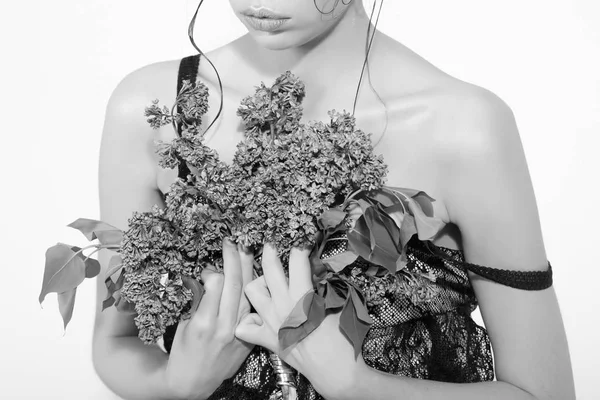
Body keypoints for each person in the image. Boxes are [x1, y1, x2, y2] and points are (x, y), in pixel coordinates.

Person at [93, 1, 576, 399]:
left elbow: (542, 392)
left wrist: (355, 385)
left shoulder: (464, 128)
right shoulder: (157, 110)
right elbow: (115, 342)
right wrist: (177, 384)